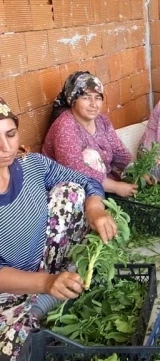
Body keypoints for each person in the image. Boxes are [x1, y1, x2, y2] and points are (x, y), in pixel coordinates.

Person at [0, 97, 117, 360]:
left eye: (10, 134)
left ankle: (53, 290)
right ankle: (44, 299)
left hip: (41, 262)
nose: (5, 147)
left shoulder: (33, 165)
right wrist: (46, 282)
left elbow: (86, 182)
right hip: (6, 289)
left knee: (72, 191)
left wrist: (95, 209)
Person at [42, 72, 144, 198]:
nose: (93, 104)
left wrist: (138, 170)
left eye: (98, 98)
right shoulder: (65, 127)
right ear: (73, 100)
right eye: (86, 98)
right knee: (90, 156)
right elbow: (76, 171)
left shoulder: (102, 120)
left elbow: (118, 151)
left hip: (104, 183)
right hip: (74, 192)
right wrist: (116, 187)